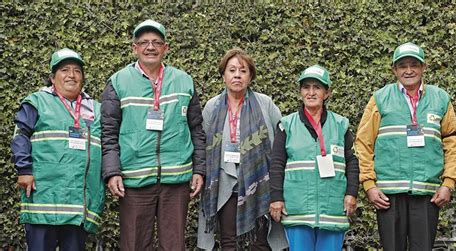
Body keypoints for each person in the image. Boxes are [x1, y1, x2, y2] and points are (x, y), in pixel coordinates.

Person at [101, 19, 206, 251]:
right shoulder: (118, 82)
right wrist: (112, 172)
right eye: (144, 42)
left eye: (156, 42)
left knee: (173, 245)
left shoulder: (184, 81)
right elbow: (108, 132)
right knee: (135, 245)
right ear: (134, 48)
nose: (150, 47)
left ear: (166, 48)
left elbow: (196, 129)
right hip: (134, 179)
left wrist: (199, 169)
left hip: (176, 179)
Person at [355, 42, 456, 250]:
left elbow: (452, 142)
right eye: (403, 65)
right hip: (388, 194)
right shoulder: (380, 98)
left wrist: (448, 183)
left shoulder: (440, 98)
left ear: (424, 67)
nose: (409, 70)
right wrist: (369, 185)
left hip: (427, 194)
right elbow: (363, 143)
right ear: (394, 69)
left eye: (414, 64)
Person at [11, 48, 104, 250]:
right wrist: (24, 170)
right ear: (52, 77)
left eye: (77, 71)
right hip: (44, 197)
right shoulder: (37, 101)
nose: (71, 75)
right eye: (64, 70)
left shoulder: (96, 109)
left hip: (79, 204)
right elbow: (20, 136)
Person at [198, 48, 287, 250]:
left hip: (260, 181)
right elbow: (202, 146)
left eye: (243, 70)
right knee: (229, 241)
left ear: (250, 76)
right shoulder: (212, 107)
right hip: (224, 182)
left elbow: (281, 145)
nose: (237, 75)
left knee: (260, 242)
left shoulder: (266, 104)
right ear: (223, 75)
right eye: (232, 70)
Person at [269, 64, 359, 251]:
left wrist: (351, 193)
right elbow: (277, 164)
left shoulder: (341, 125)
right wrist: (276, 198)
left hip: (333, 209)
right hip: (297, 210)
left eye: (317, 87)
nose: (311, 92)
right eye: (306, 87)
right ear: (300, 92)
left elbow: (352, 162)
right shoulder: (286, 125)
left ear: (327, 93)